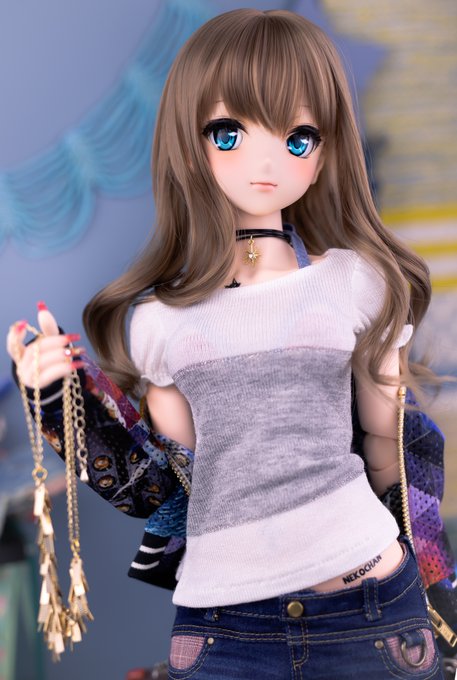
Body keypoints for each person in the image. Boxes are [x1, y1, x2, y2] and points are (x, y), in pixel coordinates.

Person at [7, 8, 450, 678]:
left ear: (324, 151)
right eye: (230, 133)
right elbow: (165, 487)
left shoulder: (354, 282)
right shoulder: (160, 320)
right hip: (226, 629)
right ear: (192, 143)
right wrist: (58, 396)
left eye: (297, 137)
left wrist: (438, 587)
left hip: (369, 605)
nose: (265, 161)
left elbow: (391, 449)